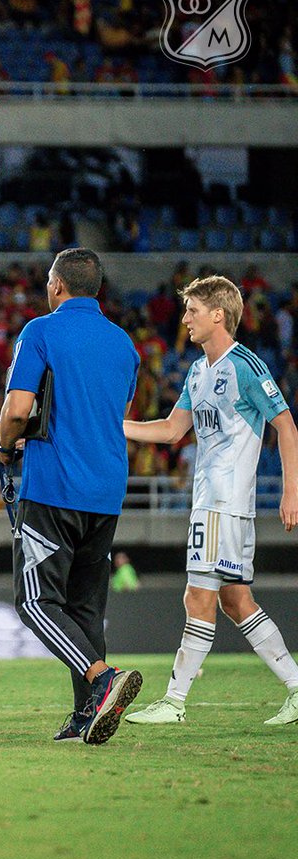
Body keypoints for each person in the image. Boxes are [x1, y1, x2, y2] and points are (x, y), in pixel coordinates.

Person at [123, 276, 298, 726]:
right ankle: (296, 688)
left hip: (222, 502)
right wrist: (111, 426)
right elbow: (169, 429)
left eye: (193, 311)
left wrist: (292, 491)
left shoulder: (245, 366)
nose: (185, 320)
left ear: (218, 314)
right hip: (214, 501)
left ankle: (174, 701)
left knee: (197, 596)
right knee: (235, 600)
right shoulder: (199, 371)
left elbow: (287, 428)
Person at [0, 248, 142, 745]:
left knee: (35, 601)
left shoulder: (40, 331)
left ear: (57, 285)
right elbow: (116, 413)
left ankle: (102, 679)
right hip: (107, 491)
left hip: (55, 486)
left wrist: (5, 443)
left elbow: (17, 408)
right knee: (83, 607)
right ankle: (85, 716)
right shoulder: (126, 346)